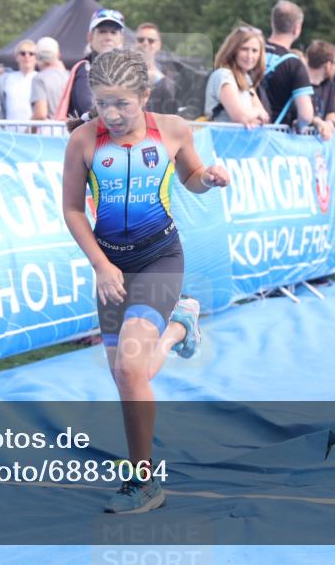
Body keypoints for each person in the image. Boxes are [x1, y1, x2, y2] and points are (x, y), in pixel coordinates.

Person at [61, 49, 230, 513]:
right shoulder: (83, 141)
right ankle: (179, 327)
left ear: (145, 95)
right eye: (102, 103)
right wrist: (101, 265)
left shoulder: (172, 129)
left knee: (131, 370)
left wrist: (209, 179)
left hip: (160, 259)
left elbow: (192, 176)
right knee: (126, 375)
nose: (112, 114)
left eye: (122, 103)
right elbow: (72, 209)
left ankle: (144, 482)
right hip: (112, 268)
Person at [261, 0, 332, 139]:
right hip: (276, 138)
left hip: (242, 134)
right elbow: (306, 114)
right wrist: (300, 126)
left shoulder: (251, 52)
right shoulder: (294, 64)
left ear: (272, 23)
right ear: (296, 29)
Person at [57, 8, 126, 122]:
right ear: (90, 37)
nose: (108, 37)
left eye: (113, 32)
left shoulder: (128, 71)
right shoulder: (85, 69)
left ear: (121, 39)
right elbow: (88, 108)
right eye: (102, 31)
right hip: (91, 131)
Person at [203, 25, 269, 128]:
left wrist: (254, 116)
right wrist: (256, 112)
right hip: (221, 137)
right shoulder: (224, 75)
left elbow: (264, 117)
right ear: (233, 50)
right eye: (244, 49)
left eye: (254, 50)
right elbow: (241, 117)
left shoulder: (246, 78)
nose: (249, 56)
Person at [0, 40, 39, 128]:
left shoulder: (41, 78)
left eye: (31, 53)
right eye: (23, 53)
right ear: (16, 57)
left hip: (35, 132)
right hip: (10, 132)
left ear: (36, 58)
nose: (27, 56)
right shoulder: (6, 79)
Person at [135, 23, 177, 114]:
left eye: (151, 40)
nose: (145, 43)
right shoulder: (121, 74)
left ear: (159, 45)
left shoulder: (168, 81)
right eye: (141, 40)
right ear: (135, 43)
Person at [30, 37, 68, 130]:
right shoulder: (69, 76)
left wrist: (28, 130)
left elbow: (40, 114)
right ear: (58, 55)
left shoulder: (39, 78)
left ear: (37, 56)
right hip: (69, 130)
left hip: (50, 131)